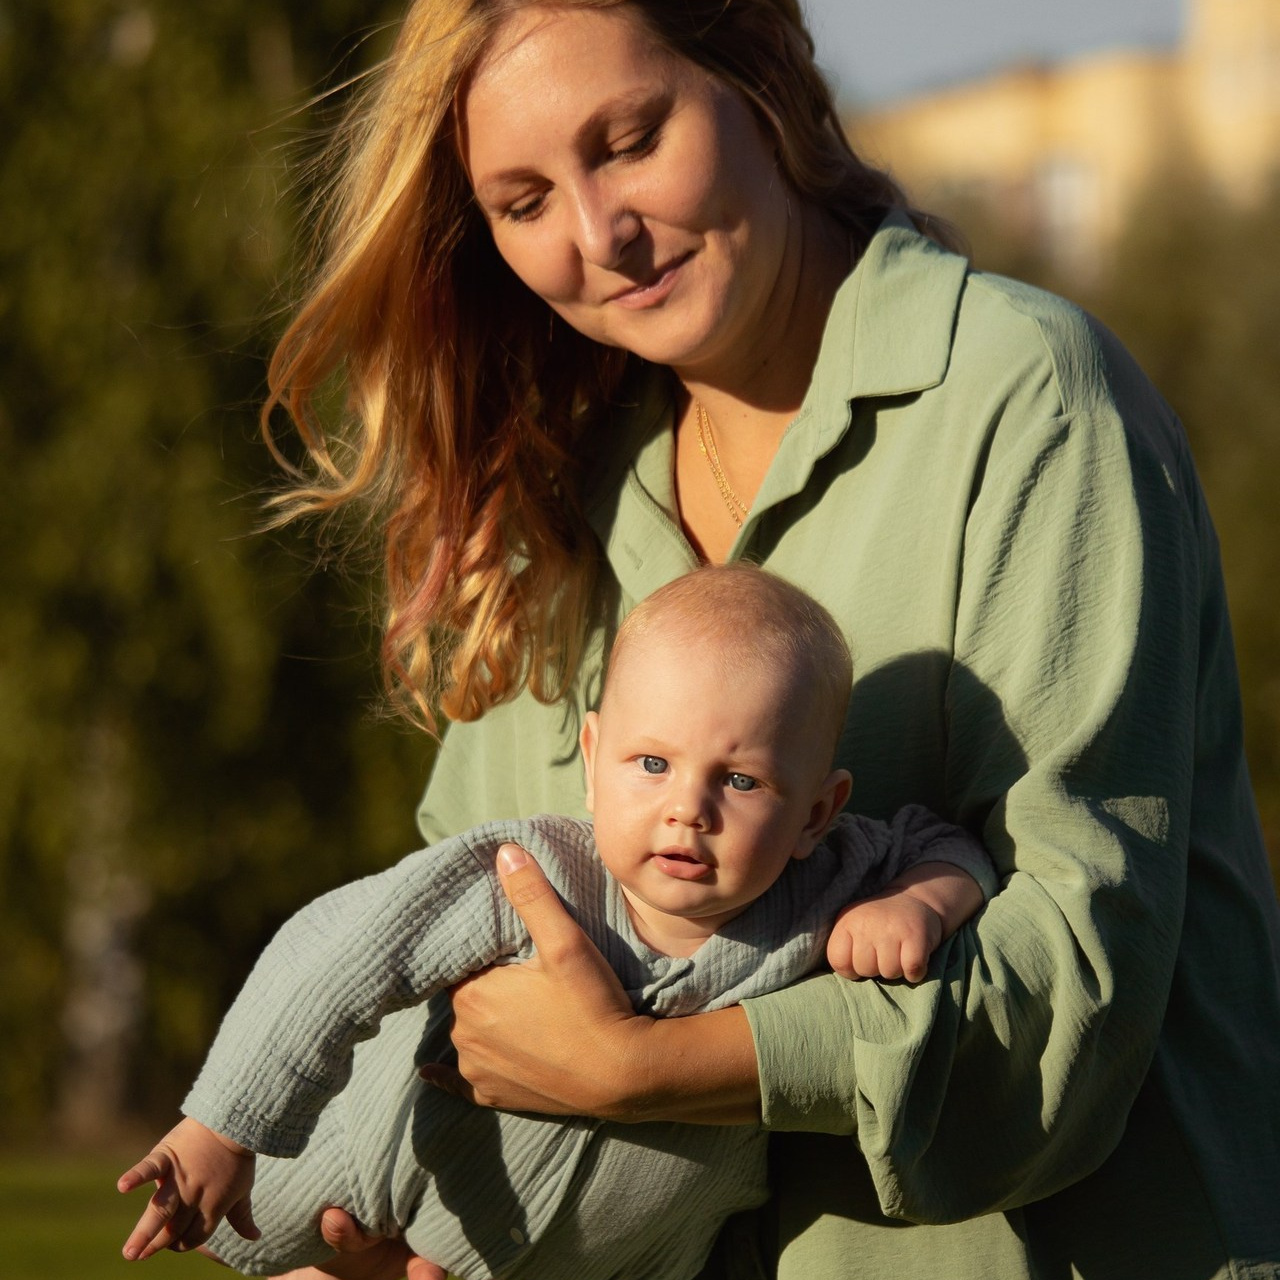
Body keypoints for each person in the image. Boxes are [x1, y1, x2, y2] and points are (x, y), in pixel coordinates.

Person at [204, 0, 1280, 1277]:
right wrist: (375, 1239)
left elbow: (1070, 1008)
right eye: (522, 200)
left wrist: (653, 1069)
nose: (600, 234)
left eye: (629, 139)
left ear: (756, 77)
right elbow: (465, 952)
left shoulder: (1026, 397)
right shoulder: (552, 504)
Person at [116, 567, 996, 1279]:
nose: (686, 809)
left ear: (816, 813)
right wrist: (223, 1126)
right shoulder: (531, 871)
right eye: (651, 763)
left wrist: (922, 898)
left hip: (627, 1258)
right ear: (592, 759)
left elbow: (946, 842)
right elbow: (343, 952)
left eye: (740, 781)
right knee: (260, 1229)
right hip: (378, 1172)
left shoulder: (832, 882)